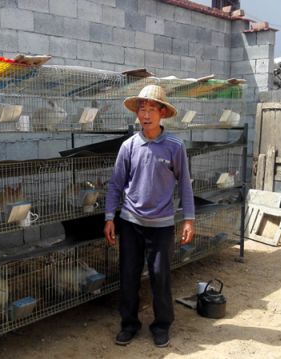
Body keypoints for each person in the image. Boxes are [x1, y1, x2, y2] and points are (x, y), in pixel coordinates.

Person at [104, 84, 195, 348]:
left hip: (162, 224)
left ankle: (161, 325)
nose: (146, 114)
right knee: (129, 275)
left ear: (162, 113)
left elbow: (185, 185)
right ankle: (129, 324)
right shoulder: (129, 146)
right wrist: (110, 216)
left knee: (160, 276)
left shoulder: (175, 147)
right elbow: (116, 184)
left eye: (151, 109)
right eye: (142, 109)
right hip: (131, 222)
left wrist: (188, 219)